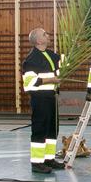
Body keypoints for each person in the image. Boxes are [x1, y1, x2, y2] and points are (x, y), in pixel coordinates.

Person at [22, 27, 64, 173]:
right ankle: (37, 163)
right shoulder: (31, 59)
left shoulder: (52, 55)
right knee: (40, 129)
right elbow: (29, 82)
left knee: (52, 130)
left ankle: (49, 159)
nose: (48, 35)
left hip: (51, 97)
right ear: (39, 40)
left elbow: (62, 67)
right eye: (45, 34)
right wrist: (51, 79)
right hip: (40, 100)